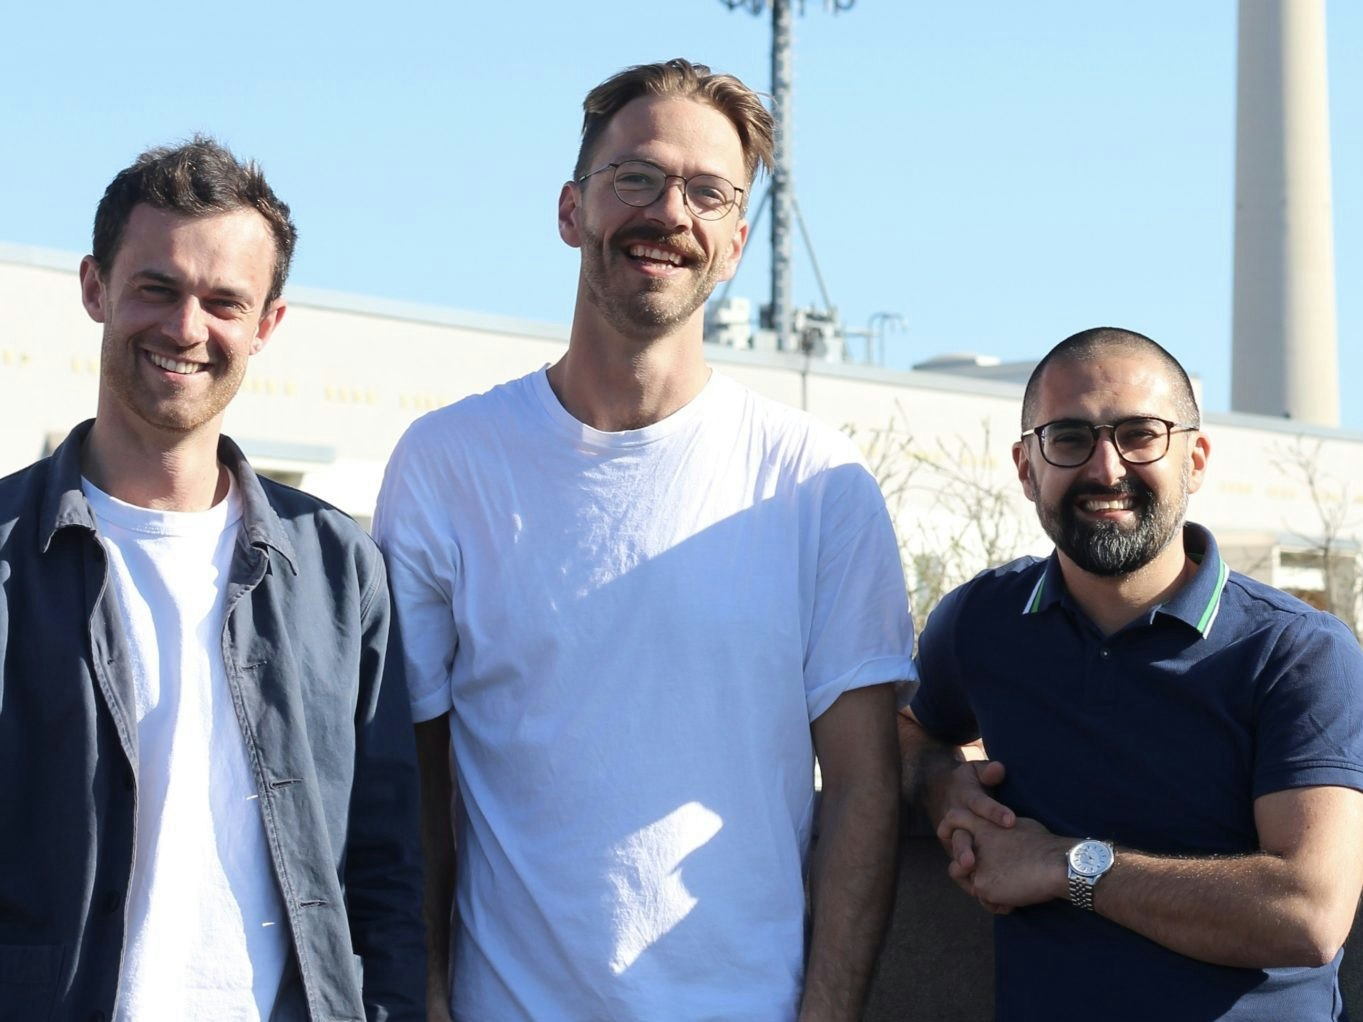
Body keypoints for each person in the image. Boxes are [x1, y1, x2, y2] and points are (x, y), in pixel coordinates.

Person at [374, 58, 913, 1021]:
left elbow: (866, 790)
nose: (671, 212)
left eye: (708, 192)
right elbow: (410, 777)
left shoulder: (815, 484)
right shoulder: (446, 463)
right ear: (570, 209)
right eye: (636, 177)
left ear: (736, 242)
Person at [0, 138, 426, 1020]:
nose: (186, 329)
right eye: (157, 287)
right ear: (95, 289)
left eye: (223, 301)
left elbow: (385, 866)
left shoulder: (338, 569)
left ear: (266, 324)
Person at [898, 326, 1363, 1020]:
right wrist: (943, 786)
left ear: (1194, 459)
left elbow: (1306, 915)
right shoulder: (980, 623)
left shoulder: (1295, 651)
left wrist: (1064, 865)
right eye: (1068, 437)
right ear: (1026, 468)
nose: (1105, 468)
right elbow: (907, 733)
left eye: (1140, 434)